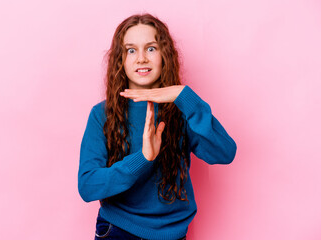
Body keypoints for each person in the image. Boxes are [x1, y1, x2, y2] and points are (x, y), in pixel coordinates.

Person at [78, 13, 237, 240]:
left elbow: (225, 153)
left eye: (151, 48)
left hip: (171, 234)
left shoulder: (183, 108)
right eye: (131, 50)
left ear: (165, 55)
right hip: (118, 231)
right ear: (120, 61)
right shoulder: (101, 114)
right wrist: (143, 158)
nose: (142, 58)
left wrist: (185, 97)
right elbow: (88, 186)